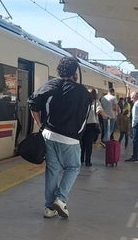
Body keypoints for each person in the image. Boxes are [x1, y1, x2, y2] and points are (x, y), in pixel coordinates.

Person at [28, 56, 91, 219]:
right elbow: (85, 118)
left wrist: (41, 125)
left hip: (49, 134)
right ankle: (60, 199)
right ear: (74, 72)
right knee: (73, 167)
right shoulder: (83, 92)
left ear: (58, 70)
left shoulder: (50, 85)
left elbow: (33, 104)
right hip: (71, 139)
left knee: (52, 170)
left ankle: (49, 208)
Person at [80, 88, 100, 167]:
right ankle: (88, 161)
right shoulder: (96, 102)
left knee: (82, 144)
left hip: (83, 125)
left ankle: (80, 159)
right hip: (92, 125)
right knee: (89, 145)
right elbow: (99, 111)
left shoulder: (83, 102)